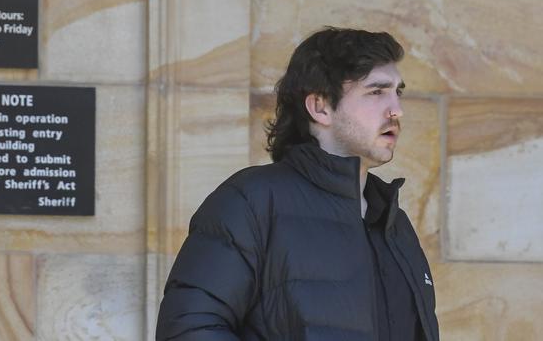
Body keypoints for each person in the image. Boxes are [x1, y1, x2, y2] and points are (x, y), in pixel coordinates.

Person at [156, 27, 439, 341]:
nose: (397, 109)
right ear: (320, 107)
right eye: (376, 91)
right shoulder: (251, 203)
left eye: (398, 91)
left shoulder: (392, 222)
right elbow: (189, 331)